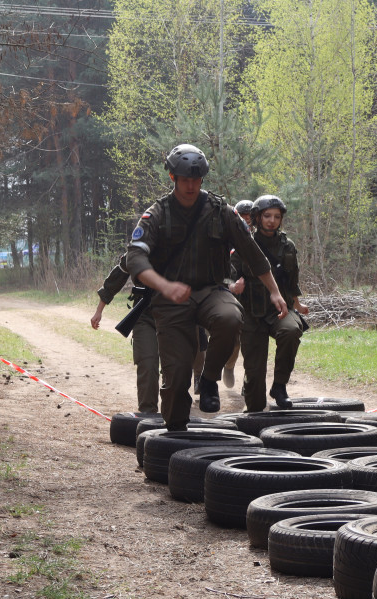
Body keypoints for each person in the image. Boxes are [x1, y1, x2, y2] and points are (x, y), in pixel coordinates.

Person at [125, 144, 286, 429]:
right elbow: (135, 258)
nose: (190, 185)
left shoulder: (220, 212)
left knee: (230, 316)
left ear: (202, 180)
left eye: (196, 180)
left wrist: (274, 290)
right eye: (184, 179)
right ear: (173, 178)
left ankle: (209, 379)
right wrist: (164, 285)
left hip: (211, 290)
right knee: (175, 378)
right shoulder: (157, 215)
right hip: (169, 300)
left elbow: (251, 252)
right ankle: (172, 437)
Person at [91, 256, 209, 414]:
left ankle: (174, 416)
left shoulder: (188, 243)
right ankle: (147, 415)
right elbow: (118, 276)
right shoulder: (143, 245)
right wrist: (99, 310)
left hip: (177, 316)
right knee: (147, 363)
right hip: (146, 315)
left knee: (175, 369)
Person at [229, 194, 309, 412]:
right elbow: (227, 275)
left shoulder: (288, 247)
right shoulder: (243, 245)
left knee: (292, 330)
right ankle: (254, 413)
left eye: (276, 216)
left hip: (279, 310)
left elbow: (292, 281)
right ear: (257, 218)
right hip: (251, 314)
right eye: (266, 216)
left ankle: (280, 386)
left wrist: (298, 304)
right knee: (254, 379)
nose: (272, 220)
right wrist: (233, 286)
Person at [222, 199, 256, 389]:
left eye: (249, 219)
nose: (246, 223)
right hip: (233, 299)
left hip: (256, 301)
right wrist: (231, 285)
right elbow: (220, 273)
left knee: (253, 344)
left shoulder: (261, 241)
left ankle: (249, 383)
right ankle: (228, 365)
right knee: (233, 343)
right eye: (242, 218)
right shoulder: (226, 242)